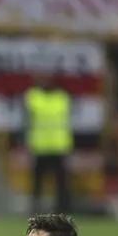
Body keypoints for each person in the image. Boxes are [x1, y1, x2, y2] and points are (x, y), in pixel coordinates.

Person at [24, 74, 73, 214]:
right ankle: (62, 210)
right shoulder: (62, 99)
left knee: (39, 183)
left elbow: (25, 122)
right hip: (58, 146)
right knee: (60, 183)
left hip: (42, 146)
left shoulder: (33, 98)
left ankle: (37, 210)